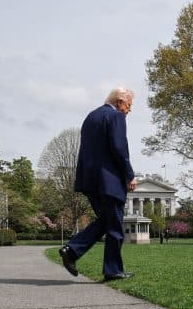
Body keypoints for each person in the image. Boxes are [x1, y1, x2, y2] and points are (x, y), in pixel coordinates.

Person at [59, 87, 137, 281]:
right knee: (115, 227)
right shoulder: (115, 117)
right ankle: (112, 270)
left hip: (90, 181)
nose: (129, 110)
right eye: (129, 105)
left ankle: (72, 251)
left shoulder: (91, 117)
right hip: (109, 182)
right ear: (119, 102)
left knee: (107, 221)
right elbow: (119, 149)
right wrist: (129, 175)